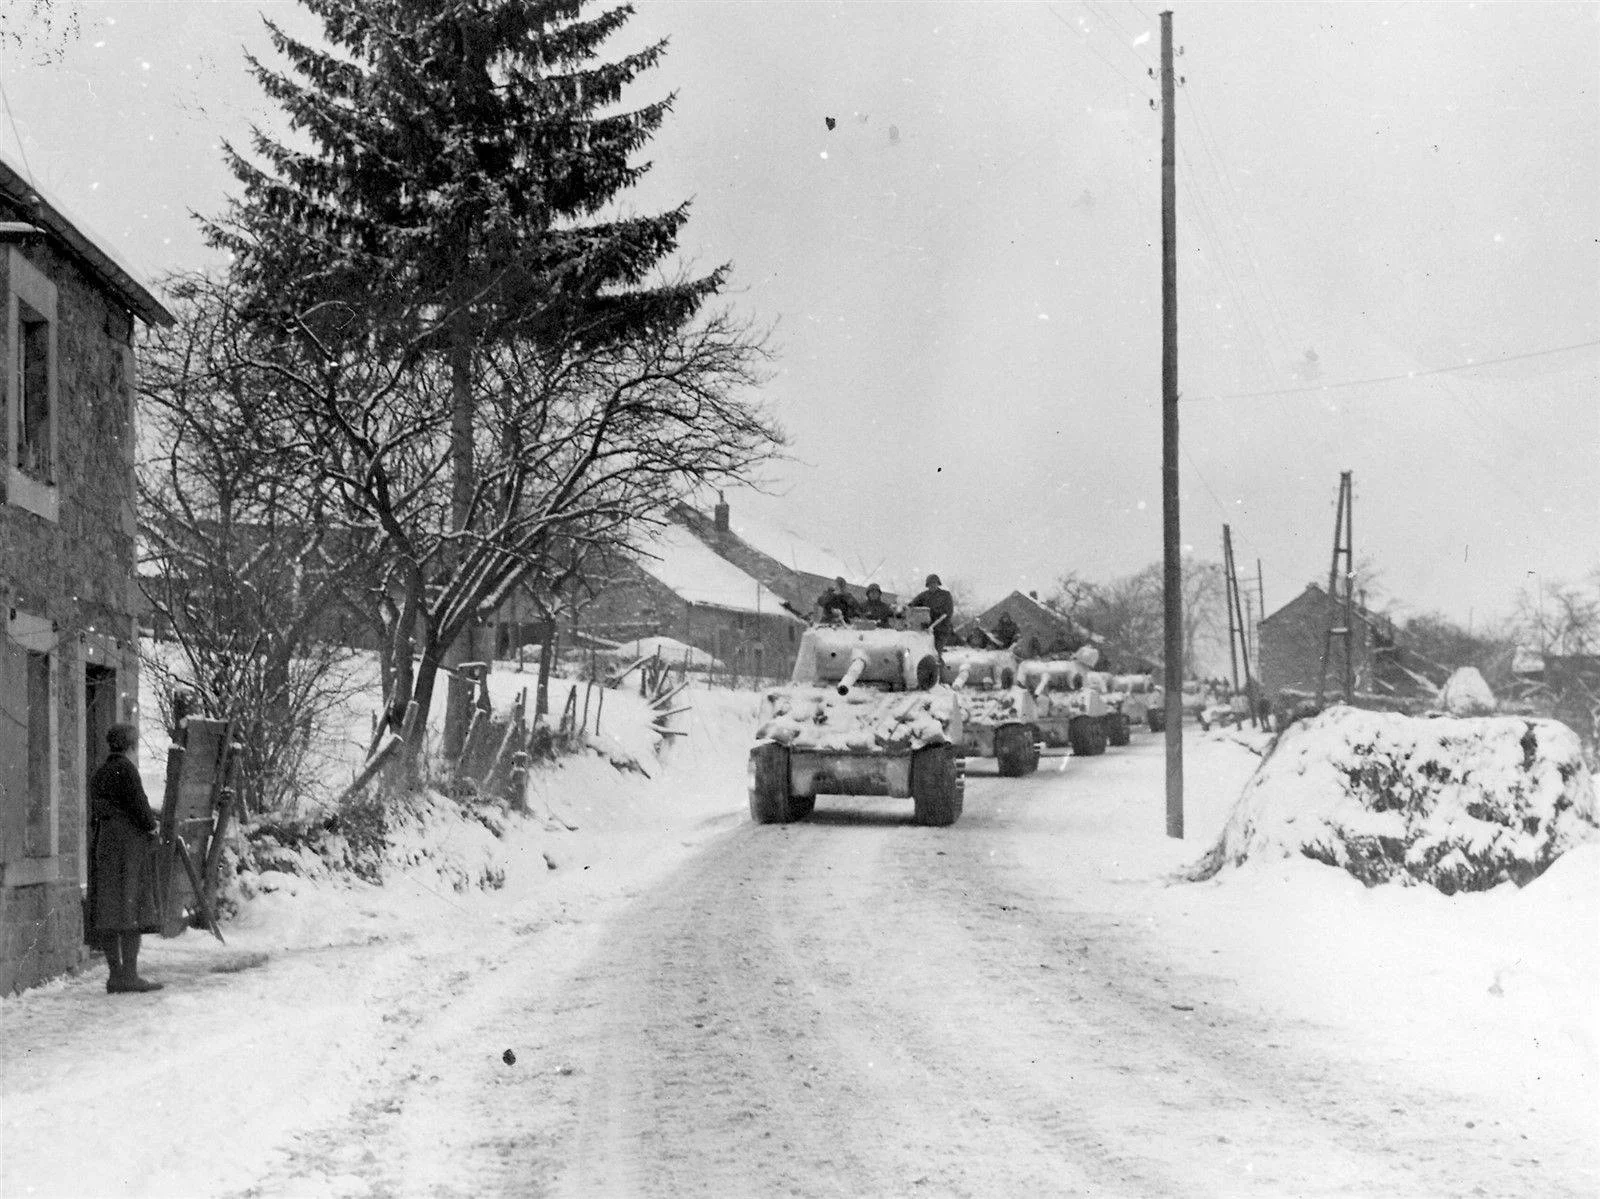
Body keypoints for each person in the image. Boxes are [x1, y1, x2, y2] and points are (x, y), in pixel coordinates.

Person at [87, 723, 164, 993]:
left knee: (109, 909)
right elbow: (141, 810)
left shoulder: (100, 773)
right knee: (132, 909)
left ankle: (115, 975)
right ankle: (129, 975)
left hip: (105, 845)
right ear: (131, 746)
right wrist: (152, 826)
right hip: (128, 848)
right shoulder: (128, 771)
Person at [909, 573, 955, 649]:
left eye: (934, 583)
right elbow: (912, 605)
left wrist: (939, 623)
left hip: (941, 629)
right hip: (926, 629)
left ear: (938, 583)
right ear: (927, 585)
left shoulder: (945, 595)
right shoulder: (923, 595)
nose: (932, 585)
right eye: (930, 583)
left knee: (936, 652)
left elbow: (948, 612)